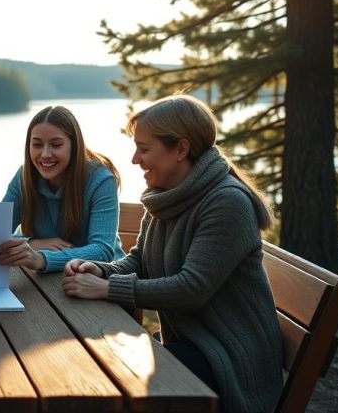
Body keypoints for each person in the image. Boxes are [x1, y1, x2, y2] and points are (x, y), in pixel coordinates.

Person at [62, 94, 283, 412]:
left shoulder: (227, 203)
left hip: (231, 362)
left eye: (145, 148)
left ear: (180, 149)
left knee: (111, 386)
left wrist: (107, 289)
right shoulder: (165, 196)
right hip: (195, 347)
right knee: (98, 372)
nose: (136, 159)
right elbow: (141, 260)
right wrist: (101, 271)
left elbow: (192, 289)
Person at [0, 105, 125, 274]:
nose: (45, 154)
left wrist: (41, 258)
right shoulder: (23, 177)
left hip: (99, 279)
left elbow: (102, 250)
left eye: (56, 145)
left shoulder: (101, 181)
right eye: (37, 145)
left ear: (74, 146)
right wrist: (33, 243)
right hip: (44, 281)